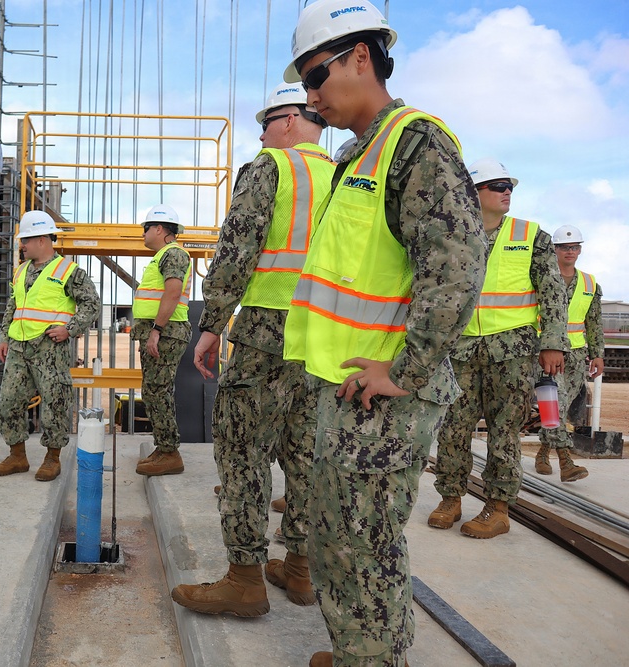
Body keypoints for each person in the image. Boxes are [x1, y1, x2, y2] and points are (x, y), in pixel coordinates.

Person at [280, 1, 486, 665]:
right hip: (350, 386)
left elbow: (454, 272)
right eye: (306, 84)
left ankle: (372, 657)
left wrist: (404, 371)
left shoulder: (416, 144)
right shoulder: (358, 154)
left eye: (317, 76)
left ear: (361, 57)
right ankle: (360, 650)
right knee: (341, 533)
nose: (311, 96)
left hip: (385, 391)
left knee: (362, 543)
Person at [170, 81, 335, 616]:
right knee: (306, 453)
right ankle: (300, 571)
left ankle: (245, 580)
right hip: (326, 334)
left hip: (267, 330)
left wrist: (213, 323)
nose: (261, 135)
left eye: (265, 124)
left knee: (243, 453)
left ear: (288, 120)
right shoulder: (344, 176)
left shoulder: (272, 167)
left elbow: (238, 248)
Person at [429, 158, 568, 538]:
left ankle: (498, 507)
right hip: (460, 350)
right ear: (474, 192)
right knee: (453, 428)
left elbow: (553, 292)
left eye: (510, 187)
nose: (507, 192)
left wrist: (554, 342)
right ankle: (451, 497)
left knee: (504, 430)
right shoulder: (455, 233)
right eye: (498, 186)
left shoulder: (530, 235)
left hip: (511, 350)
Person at [0, 210, 100, 481]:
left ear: (42, 239)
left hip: (49, 349)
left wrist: (70, 330)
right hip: (18, 347)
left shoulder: (69, 271)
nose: (22, 245)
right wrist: (4, 337)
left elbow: (91, 304)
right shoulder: (21, 271)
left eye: (25, 240)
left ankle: (52, 458)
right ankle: (17, 456)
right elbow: (13, 307)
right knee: (9, 402)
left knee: (55, 403)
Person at [534, 224, 601, 481]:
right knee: (556, 404)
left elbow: (594, 321)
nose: (570, 251)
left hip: (575, 354)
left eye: (574, 247)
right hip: (549, 354)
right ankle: (565, 461)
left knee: (557, 410)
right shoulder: (541, 276)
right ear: (555, 249)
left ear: (580, 250)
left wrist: (597, 353)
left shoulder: (589, 282)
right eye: (564, 247)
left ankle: (542, 451)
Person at [132, 204, 193, 476]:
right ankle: (164, 447)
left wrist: (156, 329)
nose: (143, 234)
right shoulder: (163, 256)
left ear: (159, 228)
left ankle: (170, 453)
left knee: (158, 391)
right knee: (154, 390)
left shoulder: (174, 254)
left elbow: (173, 290)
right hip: (161, 332)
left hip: (166, 333)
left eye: (146, 228)